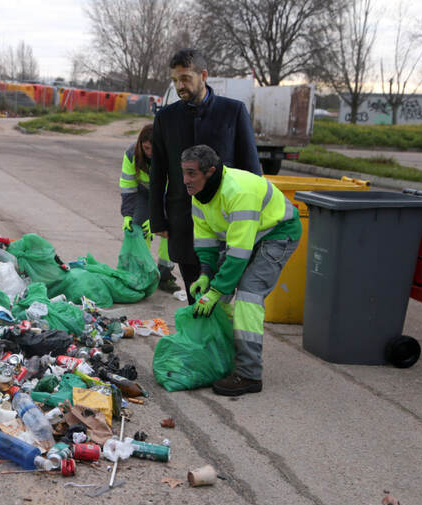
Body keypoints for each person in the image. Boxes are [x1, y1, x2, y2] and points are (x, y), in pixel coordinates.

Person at [183, 145, 300, 396]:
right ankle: (217, 360)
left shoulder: (238, 191)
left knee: (248, 294)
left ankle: (249, 374)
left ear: (210, 171)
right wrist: (205, 274)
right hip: (246, 238)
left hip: (278, 233)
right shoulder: (200, 194)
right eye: (184, 173)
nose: (186, 180)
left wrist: (216, 288)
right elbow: (206, 239)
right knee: (216, 295)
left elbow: (237, 255)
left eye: (191, 173)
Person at [149, 48, 261, 305]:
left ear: (204, 75)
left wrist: (255, 220)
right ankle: (201, 343)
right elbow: (158, 172)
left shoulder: (233, 112)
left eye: (186, 78)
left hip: (227, 222)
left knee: (222, 295)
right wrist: (158, 219)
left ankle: (218, 341)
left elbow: (252, 172)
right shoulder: (166, 118)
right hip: (184, 222)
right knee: (194, 294)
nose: (180, 85)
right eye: (175, 80)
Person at [118, 124, 179, 293]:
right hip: (143, 194)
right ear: (140, 145)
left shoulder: (170, 156)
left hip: (168, 196)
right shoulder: (132, 154)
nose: (150, 152)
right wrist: (127, 215)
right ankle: (142, 274)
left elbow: (173, 193)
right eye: (146, 148)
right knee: (138, 228)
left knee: (168, 230)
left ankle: (165, 275)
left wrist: (158, 219)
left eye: (154, 148)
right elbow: (128, 185)